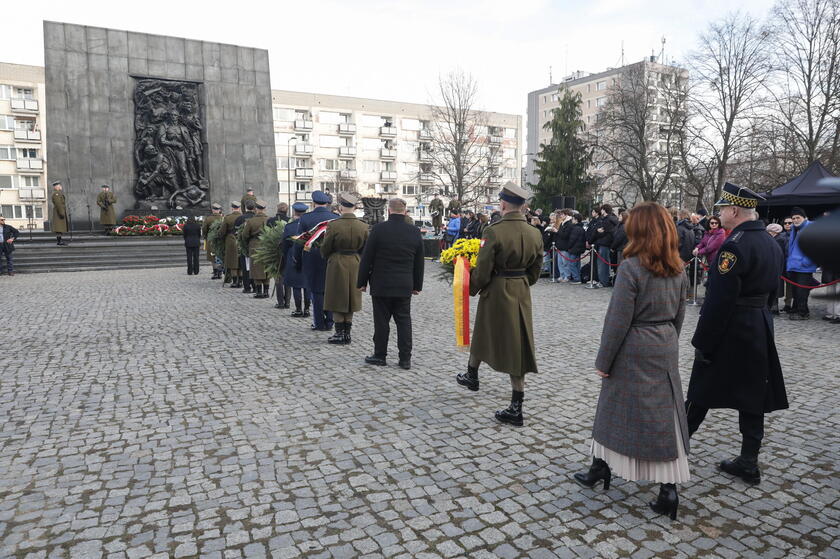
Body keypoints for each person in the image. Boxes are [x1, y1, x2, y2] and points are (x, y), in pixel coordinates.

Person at [573, 202, 690, 521]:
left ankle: (600, 467)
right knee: (663, 416)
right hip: (664, 343)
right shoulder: (678, 266)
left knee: (611, 408)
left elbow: (617, 321)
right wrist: (666, 342)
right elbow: (680, 314)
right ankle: (667, 488)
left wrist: (603, 360)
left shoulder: (632, 266)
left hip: (633, 346)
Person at [686, 183, 788, 486]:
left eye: (721, 210)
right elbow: (773, 291)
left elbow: (719, 300)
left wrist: (702, 341)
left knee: (700, 392)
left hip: (731, 327)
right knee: (753, 395)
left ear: (733, 211)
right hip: (758, 325)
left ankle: (673, 448)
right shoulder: (771, 241)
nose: (719, 214)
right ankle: (748, 460)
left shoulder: (734, 245)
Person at [455, 182, 543, 426]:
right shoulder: (535, 233)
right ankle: (513, 399)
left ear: (503, 204)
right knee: (519, 344)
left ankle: (475, 377)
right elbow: (536, 269)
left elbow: (483, 269)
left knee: (484, 333)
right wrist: (523, 284)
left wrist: (471, 288)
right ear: (522, 206)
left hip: (496, 290)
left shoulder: (493, 231)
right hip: (521, 290)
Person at [358, 197, 424, 369]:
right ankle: (405, 359)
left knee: (381, 322)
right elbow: (419, 262)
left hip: (381, 284)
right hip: (404, 284)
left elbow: (367, 258)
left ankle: (380, 355)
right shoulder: (414, 232)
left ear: (388, 210)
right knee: (404, 321)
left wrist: (362, 282)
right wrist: (417, 285)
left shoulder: (378, 230)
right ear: (405, 211)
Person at [320, 193, 369, 344]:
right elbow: (365, 250)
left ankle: (339, 333)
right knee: (351, 299)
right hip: (355, 262)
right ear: (354, 208)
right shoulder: (363, 226)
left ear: (341, 207)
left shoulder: (334, 225)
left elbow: (326, 248)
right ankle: (347, 333)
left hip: (337, 262)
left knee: (337, 298)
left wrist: (327, 255)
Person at [294, 190, 338, 331]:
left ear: (313, 203)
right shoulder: (335, 217)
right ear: (327, 203)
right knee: (330, 289)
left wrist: (297, 259)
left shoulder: (306, 218)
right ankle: (330, 321)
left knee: (316, 291)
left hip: (311, 258)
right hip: (330, 258)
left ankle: (319, 323)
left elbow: (300, 241)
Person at [786, 207, 817, 320]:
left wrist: (806, 262)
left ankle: (803, 312)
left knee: (802, 291)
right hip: (794, 265)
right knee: (795, 290)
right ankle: (796, 308)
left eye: (797, 218)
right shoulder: (795, 229)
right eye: (793, 218)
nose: (795, 220)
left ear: (804, 218)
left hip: (804, 267)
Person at [283, 202, 310, 318]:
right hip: (308, 257)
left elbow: (284, 245)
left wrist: (285, 256)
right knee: (307, 285)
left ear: (294, 212)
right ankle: (307, 309)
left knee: (296, 285)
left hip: (293, 257)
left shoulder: (289, 227)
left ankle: (298, 309)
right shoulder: (310, 226)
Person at [242, 200, 270, 298]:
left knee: (256, 268)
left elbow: (245, 235)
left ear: (256, 209)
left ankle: (258, 291)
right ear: (264, 209)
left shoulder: (251, 221)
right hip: (267, 245)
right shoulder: (269, 219)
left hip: (254, 245)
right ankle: (266, 291)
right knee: (266, 268)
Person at [267, 203, 290, 308]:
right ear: (286, 210)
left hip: (274, 251)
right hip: (287, 252)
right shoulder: (290, 221)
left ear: (277, 209)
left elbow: (266, 236)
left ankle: (280, 302)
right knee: (287, 276)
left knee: (278, 277)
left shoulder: (270, 221)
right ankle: (288, 302)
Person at [591, 204, 618, 288]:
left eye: (602, 210)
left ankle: (603, 281)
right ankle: (603, 280)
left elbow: (604, 232)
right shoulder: (608, 219)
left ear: (604, 210)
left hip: (604, 243)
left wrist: (598, 232)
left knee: (602, 264)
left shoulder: (607, 220)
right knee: (602, 264)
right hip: (604, 243)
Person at [765, 223, 787, 314]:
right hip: (775, 268)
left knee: (774, 289)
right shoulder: (777, 239)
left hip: (775, 268)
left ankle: (773, 308)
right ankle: (773, 307)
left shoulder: (779, 240)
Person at [219, 201, 242, 288]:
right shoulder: (242, 217)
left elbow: (222, 231)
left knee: (232, 261)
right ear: (239, 208)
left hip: (230, 240)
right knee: (240, 262)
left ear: (232, 208)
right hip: (240, 240)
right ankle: (240, 281)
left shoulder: (228, 218)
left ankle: (235, 281)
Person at [235, 201, 256, 294]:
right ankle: (255, 286)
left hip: (244, 245)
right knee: (255, 266)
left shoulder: (240, 218)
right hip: (255, 246)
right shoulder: (256, 218)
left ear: (245, 207)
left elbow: (236, 233)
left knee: (245, 267)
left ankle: (247, 287)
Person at [202, 203, 224, 279]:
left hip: (211, 240)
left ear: (213, 210)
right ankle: (220, 272)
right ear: (219, 210)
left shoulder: (209, 219)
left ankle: (215, 273)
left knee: (212, 256)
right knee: (220, 256)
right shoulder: (223, 218)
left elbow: (204, 229)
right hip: (220, 240)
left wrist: (205, 236)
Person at [566, 212, 586, 283]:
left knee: (572, 264)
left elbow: (572, 239)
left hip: (574, 248)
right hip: (579, 248)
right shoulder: (581, 228)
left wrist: (568, 247)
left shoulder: (576, 228)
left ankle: (576, 278)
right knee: (577, 264)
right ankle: (578, 277)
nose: (572, 221)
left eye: (573, 219)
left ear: (576, 220)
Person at [780, 216, 794, 313]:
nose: (787, 225)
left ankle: (789, 304)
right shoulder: (781, 235)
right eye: (785, 223)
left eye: (789, 223)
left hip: (792, 264)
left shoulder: (797, 234)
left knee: (791, 285)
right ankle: (786, 304)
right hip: (782, 263)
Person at [50, 181, 68, 246]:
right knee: (59, 227)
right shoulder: (56, 194)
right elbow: (58, 204)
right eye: (60, 185)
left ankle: (59, 241)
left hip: (59, 212)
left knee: (59, 228)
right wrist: (61, 213)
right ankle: (59, 241)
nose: (61, 187)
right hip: (59, 213)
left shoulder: (58, 193)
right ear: (57, 187)